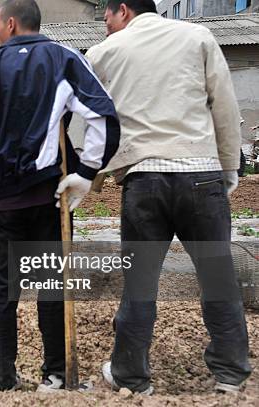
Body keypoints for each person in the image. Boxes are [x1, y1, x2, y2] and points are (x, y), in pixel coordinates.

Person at [86, 0, 251, 395]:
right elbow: (224, 105)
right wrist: (229, 167)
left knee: (140, 283)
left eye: (105, 17)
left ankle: (131, 376)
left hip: (146, 183)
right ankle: (230, 373)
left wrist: (91, 175)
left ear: (122, 10)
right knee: (217, 278)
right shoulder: (198, 36)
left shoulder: (103, 54)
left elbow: (95, 117)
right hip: (200, 177)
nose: (105, 26)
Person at [0, 0, 120, 392]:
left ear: (11, 24)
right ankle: (55, 375)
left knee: (5, 290)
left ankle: (3, 377)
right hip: (50, 194)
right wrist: (87, 172)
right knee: (51, 286)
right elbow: (103, 115)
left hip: (8, 201)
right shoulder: (65, 58)